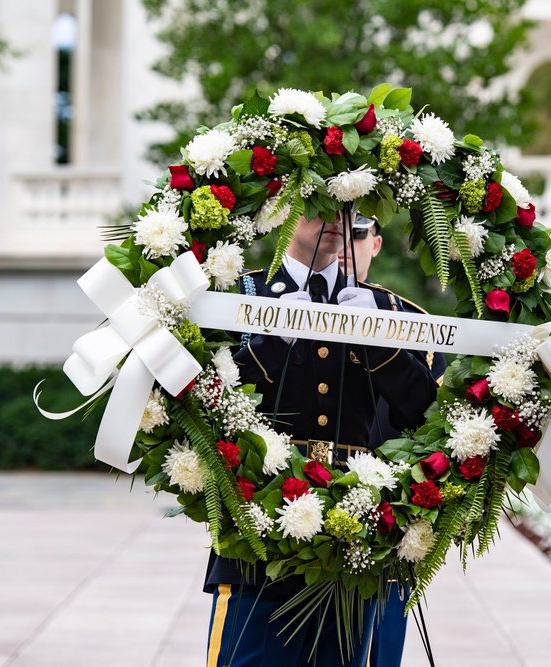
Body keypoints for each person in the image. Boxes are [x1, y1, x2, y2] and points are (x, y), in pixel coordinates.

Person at [204, 209, 439, 667]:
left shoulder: (389, 310)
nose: (335, 218)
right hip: (258, 530)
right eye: (316, 202)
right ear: (286, 213)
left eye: (348, 208)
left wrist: (380, 340)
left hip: (354, 534)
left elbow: (425, 414)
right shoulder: (238, 296)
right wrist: (274, 339)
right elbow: (208, 397)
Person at [339, 214, 447, 667]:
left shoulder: (411, 321)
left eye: (358, 230)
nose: (344, 237)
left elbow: (431, 423)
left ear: (377, 244)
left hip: (380, 522)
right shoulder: (261, 301)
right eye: (332, 222)